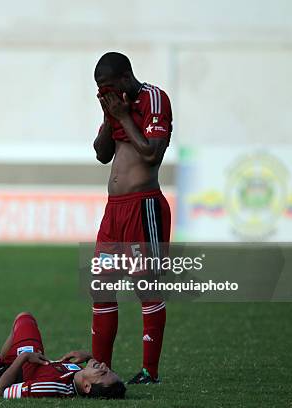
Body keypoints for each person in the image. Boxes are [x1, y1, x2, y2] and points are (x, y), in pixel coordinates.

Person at [91, 51, 173, 384]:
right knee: (101, 287)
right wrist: (110, 118)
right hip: (114, 211)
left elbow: (153, 154)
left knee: (147, 287)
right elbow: (101, 153)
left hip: (143, 207)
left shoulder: (154, 99)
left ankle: (149, 372)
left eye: (108, 87)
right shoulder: (115, 106)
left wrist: (124, 117)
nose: (104, 95)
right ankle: (100, 370)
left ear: (126, 77)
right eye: (99, 90)